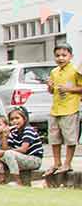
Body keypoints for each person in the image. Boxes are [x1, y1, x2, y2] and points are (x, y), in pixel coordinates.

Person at [43, 42, 78, 180]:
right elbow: (52, 91)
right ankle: (57, 163)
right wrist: (50, 86)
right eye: (57, 55)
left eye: (64, 55)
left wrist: (69, 89)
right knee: (54, 138)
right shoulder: (54, 71)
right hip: (55, 109)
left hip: (70, 109)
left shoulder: (75, 70)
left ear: (71, 56)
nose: (61, 58)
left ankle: (67, 163)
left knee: (70, 139)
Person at [0, 106, 46, 185]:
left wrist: (5, 152)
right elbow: (5, 149)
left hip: (34, 160)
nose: (14, 121)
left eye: (17, 118)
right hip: (20, 158)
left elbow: (23, 149)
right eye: (12, 119)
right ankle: (1, 178)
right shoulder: (14, 132)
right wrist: (4, 136)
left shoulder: (28, 130)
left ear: (24, 119)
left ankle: (18, 181)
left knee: (8, 153)